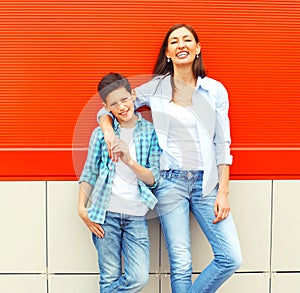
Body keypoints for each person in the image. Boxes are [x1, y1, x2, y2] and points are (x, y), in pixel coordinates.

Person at [98, 24, 242, 293]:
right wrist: (107, 130)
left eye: (188, 40)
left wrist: (224, 191)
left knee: (231, 257)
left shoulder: (214, 91)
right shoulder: (157, 88)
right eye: (174, 41)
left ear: (198, 48)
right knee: (181, 263)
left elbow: (223, 143)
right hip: (170, 183)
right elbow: (111, 103)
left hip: (208, 185)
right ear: (168, 53)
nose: (181, 45)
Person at [78, 73, 161, 293]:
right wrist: (81, 208)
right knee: (109, 277)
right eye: (114, 104)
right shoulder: (100, 134)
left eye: (124, 99)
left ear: (133, 96)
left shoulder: (150, 133)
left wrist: (129, 160)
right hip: (105, 215)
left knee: (139, 278)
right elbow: (89, 172)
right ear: (106, 107)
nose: (122, 107)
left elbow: (153, 179)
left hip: (135, 217)